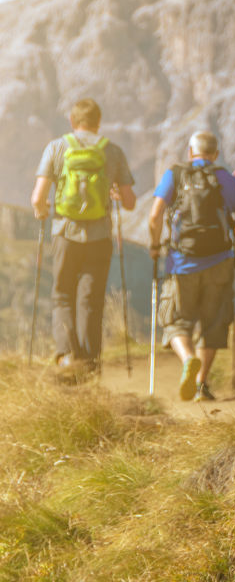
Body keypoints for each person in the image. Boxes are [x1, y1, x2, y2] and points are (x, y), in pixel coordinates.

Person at [30, 98, 136, 376]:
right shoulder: (112, 151)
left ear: (72, 121)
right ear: (98, 122)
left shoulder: (57, 147)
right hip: (99, 237)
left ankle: (66, 357)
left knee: (62, 294)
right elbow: (129, 202)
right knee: (91, 299)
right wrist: (113, 194)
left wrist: (42, 212)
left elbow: (38, 197)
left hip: (65, 233)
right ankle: (90, 365)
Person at [148, 131, 235, 401]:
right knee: (213, 323)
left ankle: (187, 359)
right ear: (215, 154)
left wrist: (154, 244)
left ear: (190, 152)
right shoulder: (227, 179)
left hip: (181, 263)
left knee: (175, 320)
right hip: (219, 262)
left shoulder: (175, 174)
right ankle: (201, 385)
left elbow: (154, 216)